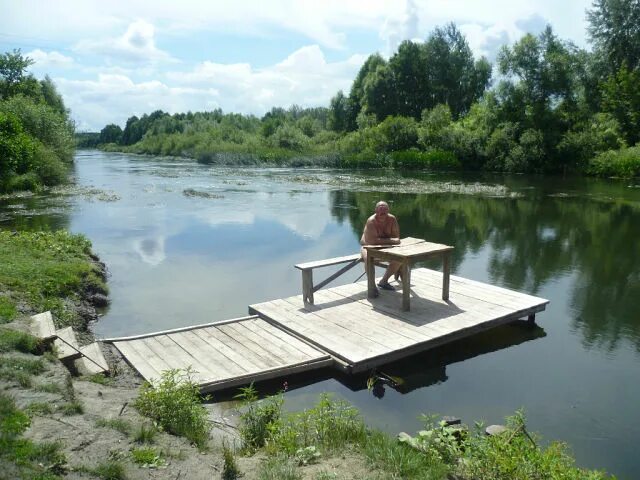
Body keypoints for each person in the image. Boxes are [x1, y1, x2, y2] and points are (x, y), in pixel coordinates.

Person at [360, 200, 401, 291]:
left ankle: (384, 281)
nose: (382, 212)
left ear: (388, 210)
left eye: (384, 209)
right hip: (368, 246)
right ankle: (372, 285)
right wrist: (391, 240)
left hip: (386, 246)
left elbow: (397, 238)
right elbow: (372, 242)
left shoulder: (392, 219)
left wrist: (385, 241)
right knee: (368, 258)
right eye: (380, 209)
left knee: (400, 258)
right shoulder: (371, 221)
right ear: (376, 210)